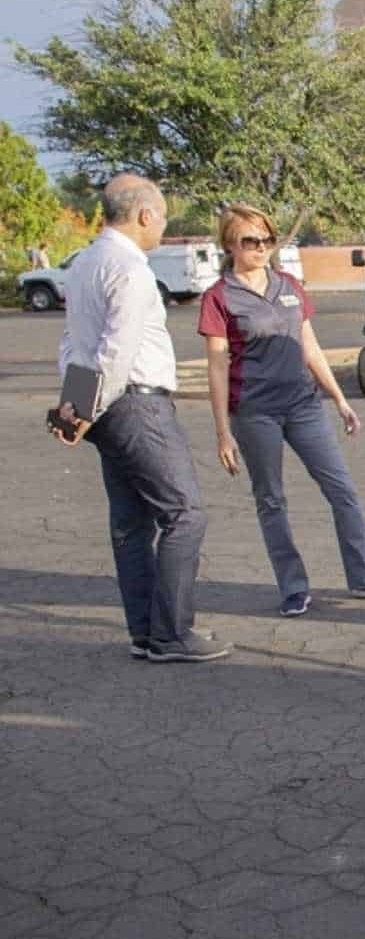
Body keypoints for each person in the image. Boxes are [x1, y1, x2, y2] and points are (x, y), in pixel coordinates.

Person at [198, 203, 365, 617]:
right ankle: (293, 588)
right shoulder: (219, 298)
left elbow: (309, 346)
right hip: (254, 411)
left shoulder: (290, 285)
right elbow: (218, 365)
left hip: (302, 404)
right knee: (272, 500)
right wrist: (222, 431)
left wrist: (340, 399)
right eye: (250, 240)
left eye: (267, 239)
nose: (261, 248)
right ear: (229, 244)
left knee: (342, 489)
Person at [54, 175, 229, 662]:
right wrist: (87, 411)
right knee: (184, 513)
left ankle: (146, 632)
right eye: (164, 217)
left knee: (131, 524)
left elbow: (73, 346)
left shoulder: (84, 262)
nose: (163, 225)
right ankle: (172, 634)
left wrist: (76, 406)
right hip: (136, 403)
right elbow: (117, 349)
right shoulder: (129, 269)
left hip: (107, 406)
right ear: (145, 216)